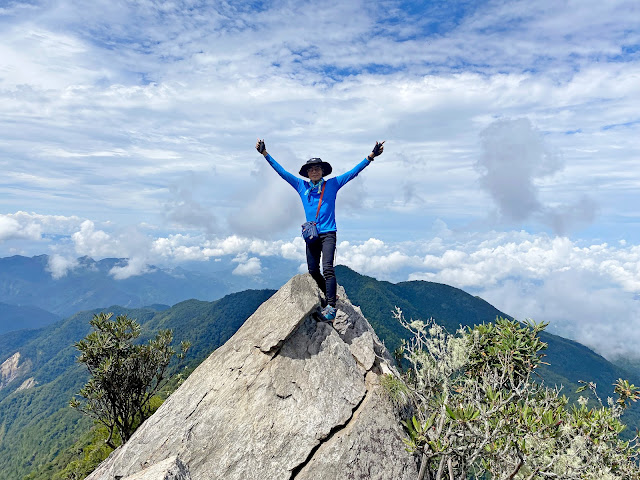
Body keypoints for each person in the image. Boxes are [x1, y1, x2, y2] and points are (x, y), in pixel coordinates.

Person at [256, 138, 385, 320]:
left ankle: (331, 307)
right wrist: (265, 154)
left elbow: (353, 173)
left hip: (329, 233)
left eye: (317, 168)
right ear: (307, 173)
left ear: (322, 171)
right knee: (312, 270)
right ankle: (328, 293)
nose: (314, 171)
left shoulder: (332, 184)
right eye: (311, 169)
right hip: (312, 235)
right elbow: (282, 172)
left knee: (328, 269)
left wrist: (371, 156)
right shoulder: (302, 186)